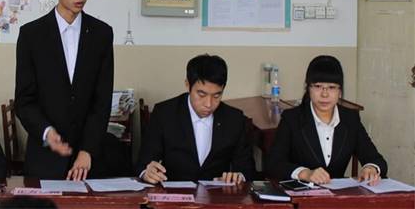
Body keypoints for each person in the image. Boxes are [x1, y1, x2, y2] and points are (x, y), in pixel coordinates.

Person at [15, 0, 113, 180]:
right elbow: (24, 100)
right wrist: (47, 133)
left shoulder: (101, 34)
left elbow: (102, 100)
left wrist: (87, 150)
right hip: (44, 158)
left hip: (87, 160)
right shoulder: (31, 35)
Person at [266, 55, 387, 185]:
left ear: (340, 91)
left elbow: (377, 160)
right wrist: (305, 173)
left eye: (332, 87)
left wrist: (371, 168)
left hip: (338, 195)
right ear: (308, 88)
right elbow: (273, 164)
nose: (324, 94)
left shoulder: (350, 119)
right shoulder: (292, 119)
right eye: (318, 86)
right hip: (302, 193)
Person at [136, 54, 255, 184]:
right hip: (174, 193)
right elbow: (143, 163)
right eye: (201, 94)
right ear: (188, 85)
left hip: (217, 194)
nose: (208, 104)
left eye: (216, 96)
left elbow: (247, 169)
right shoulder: (164, 114)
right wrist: (147, 173)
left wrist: (238, 177)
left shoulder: (234, 119)